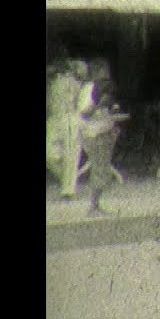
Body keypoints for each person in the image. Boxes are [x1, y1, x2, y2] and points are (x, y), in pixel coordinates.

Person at [77, 59, 126, 217]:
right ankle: (93, 205)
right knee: (100, 169)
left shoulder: (100, 88)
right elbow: (84, 112)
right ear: (97, 71)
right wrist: (98, 104)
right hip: (94, 133)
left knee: (102, 168)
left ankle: (96, 204)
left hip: (103, 131)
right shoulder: (90, 88)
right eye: (105, 70)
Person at [47, 57, 87, 200]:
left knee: (71, 154)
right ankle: (67, 179)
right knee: (49, 154)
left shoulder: (74, 79)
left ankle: (68, 189)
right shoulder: (51, 81)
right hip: (53, 118)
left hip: (70, 117)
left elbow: (84, 96)